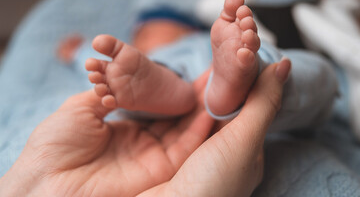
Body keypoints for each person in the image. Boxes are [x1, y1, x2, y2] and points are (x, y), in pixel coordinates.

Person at [0, 58, 290, 197]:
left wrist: (78, 53)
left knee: (122, 87)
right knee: (127, 88)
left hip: (172, 80)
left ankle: (173, 87)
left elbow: (97, 66)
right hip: (172, 81)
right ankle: (174, 87)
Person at [82, 0, 338, 132]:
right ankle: (250, 79)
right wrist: (84, 55)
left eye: (149, 30)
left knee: (309, 71)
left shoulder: (208, 38)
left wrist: (78, 52)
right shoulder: (142, 62)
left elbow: (93, 63)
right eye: (139, 36)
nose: (142, 37)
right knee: (317, 76)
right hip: (168, 73)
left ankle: (246, 77)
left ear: (186, 29)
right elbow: (101, 68)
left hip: (205, 64)